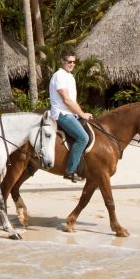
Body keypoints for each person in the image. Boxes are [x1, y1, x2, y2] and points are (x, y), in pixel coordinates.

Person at [48, 53, 94, 183]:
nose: (72, 64)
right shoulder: (59, 76)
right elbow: (67, 101)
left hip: (71, 113)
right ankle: (70, 171)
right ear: (62, 61)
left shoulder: (70, 77)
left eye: (74, 62)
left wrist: (82, 112)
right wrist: (81, 114)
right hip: (61, 114)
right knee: (83, 138)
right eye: (69, 61)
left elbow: (73, 101)